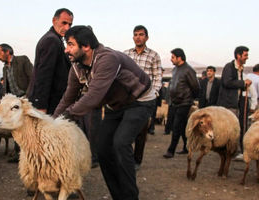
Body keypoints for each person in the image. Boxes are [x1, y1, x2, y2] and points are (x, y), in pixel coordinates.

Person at [53, 25, 154, 200]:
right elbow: (67, 98)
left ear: (86, 46)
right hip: (115, 105)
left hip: (139, 100)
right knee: (102, 148)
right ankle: (118, 195)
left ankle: (130, 197)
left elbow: (93, 97)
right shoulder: (76, 67)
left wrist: (68, 115)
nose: (66, 49)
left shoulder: (107, 59)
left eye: (70, 44)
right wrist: (52, 122)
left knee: (121, 143)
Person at [124, 25, 162, 170]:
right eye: (135, 34)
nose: (138, 37)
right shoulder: (126, 54)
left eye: (141, 34)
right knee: (125, 130)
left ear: (146, 37)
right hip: (128, 98)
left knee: (141, 131)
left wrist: (155, 93)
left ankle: (136, 161)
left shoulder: (153, 55)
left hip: (145, 99)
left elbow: (157, 76)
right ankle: (125, 158)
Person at [27, 8, 73, 114]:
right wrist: (41, 105)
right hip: (48, 104)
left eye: (70, 25)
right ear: (54, 21)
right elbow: (43, 75)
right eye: (64, 23)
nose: (67, 28)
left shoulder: (56, 40)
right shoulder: (51, 41)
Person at [163, 48, 199, 159]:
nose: (171, 59)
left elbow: (196, 87)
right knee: (182, 126)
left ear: (179, 58)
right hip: (175, 102)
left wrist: (189, 98)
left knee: (176, 125)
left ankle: (171, 150)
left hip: (184, 102)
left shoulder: (188, 70)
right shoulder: (175, 70)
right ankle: (187, 147)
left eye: (173, 57)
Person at [217, 46, 251, 159]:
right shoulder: (229, 67)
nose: (247, 57)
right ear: (238, 55)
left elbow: (236, 86)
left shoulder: (240, 68)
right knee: (231, 129)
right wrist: (242, 83)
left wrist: (245, 86)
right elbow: (227, 82)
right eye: (245, 55)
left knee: (237, 128)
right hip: (228, 104)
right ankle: (228, 150)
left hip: (236, 103)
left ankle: (233, 150)